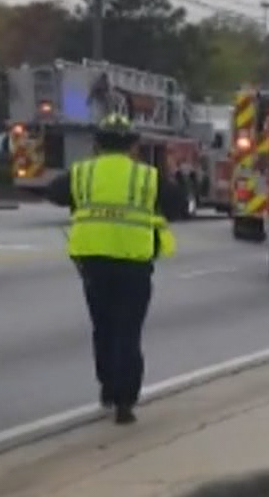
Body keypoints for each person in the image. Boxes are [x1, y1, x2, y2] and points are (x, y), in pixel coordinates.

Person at [46, 113, 179, 425]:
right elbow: (177, 204)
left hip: (93, 263)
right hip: (134, 263)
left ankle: (108, 388)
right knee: (128, 331)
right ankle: (125, 402)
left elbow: (53, 192)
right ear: (134, 144)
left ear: (96, 144)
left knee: (103, 327)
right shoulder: (147, 177)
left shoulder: (81, 174)